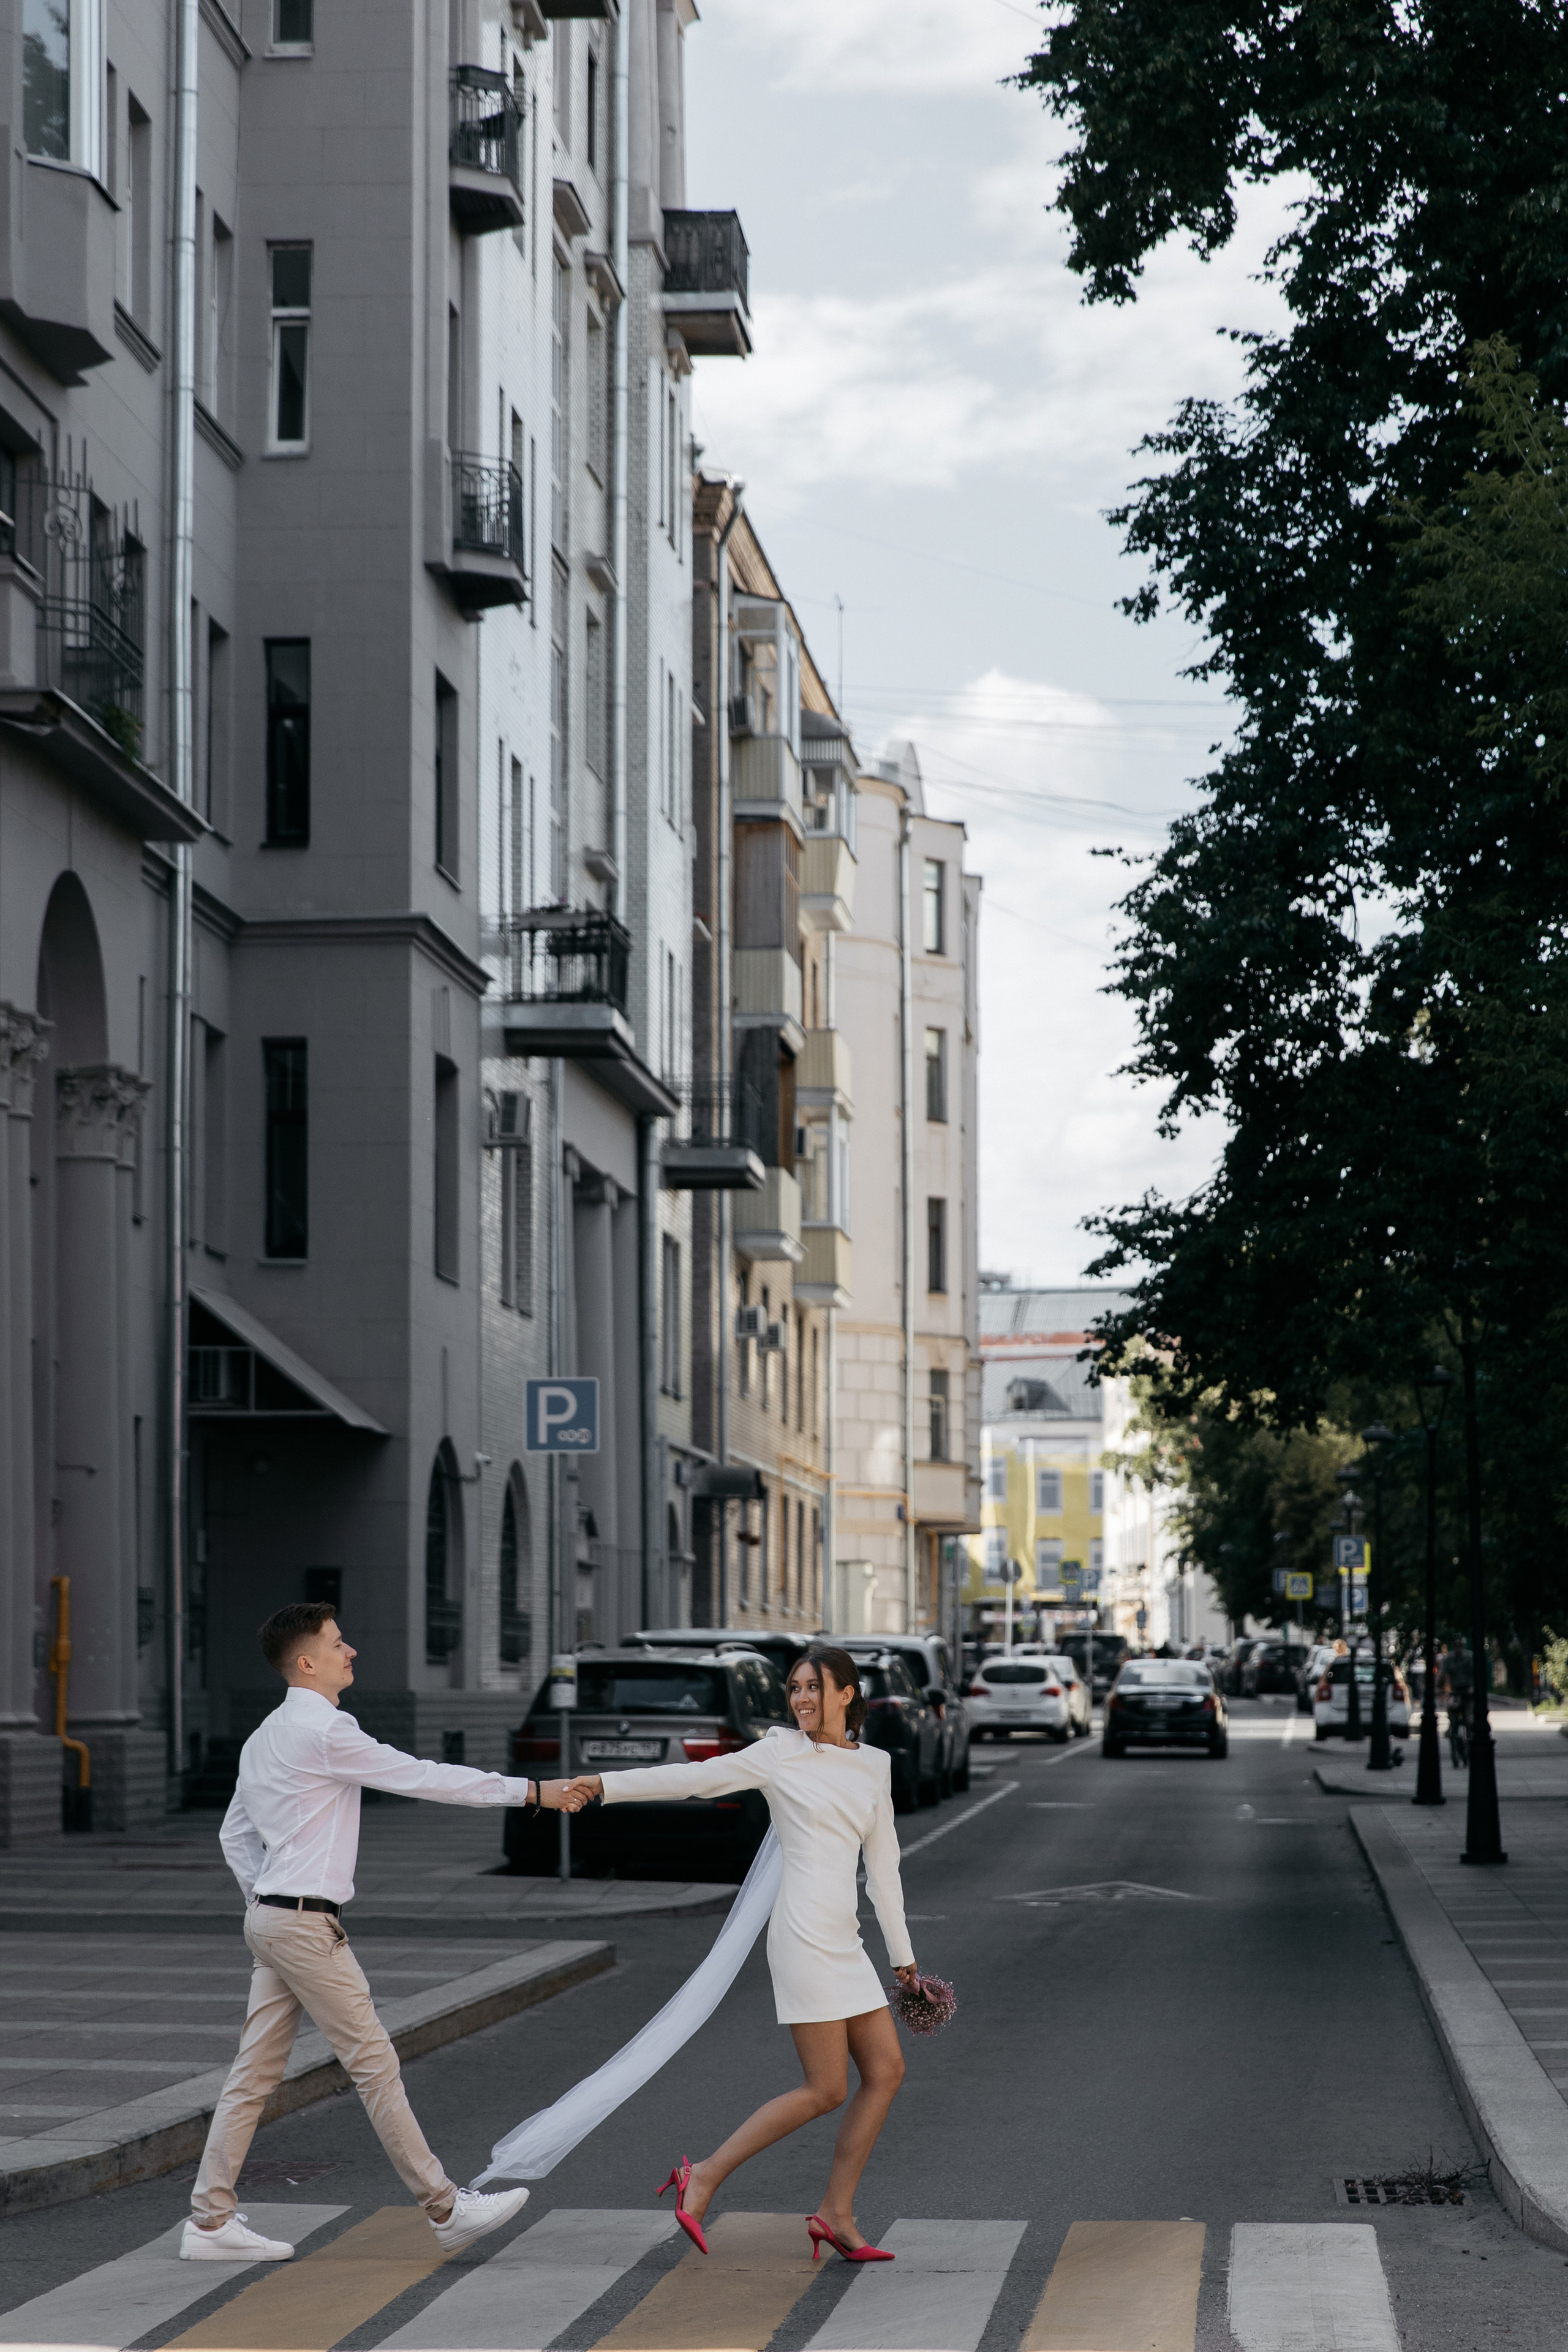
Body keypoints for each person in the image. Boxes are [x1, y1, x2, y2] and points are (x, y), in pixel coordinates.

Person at [181, 1602, 586, 2265]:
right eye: (339, 1643)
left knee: (252, 2077)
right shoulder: (325, 1731)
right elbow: (426, 1777)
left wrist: (266, 1901)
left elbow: (233, 1833)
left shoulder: (265, 1735)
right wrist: (533, 1792)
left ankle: (209, 2220)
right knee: (374, 2065)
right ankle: (446, 2207)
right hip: (303, 1924)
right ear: (306, 1661)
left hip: (274, 1919)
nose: (353, 1652)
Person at [563, 1643, 918, 2265]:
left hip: (845, 1940)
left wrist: (902, 1959)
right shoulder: (780, 1753)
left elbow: (883, 1869)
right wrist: (605, 1784)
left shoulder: (876, 1765)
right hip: (803, 1934)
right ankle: (702, 2175)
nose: (801, 1698)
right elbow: (695, 1779)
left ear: (846, 1694)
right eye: (794, 1688)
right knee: (826, 2087)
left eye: (813, 1687)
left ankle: (836, 2212)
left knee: (886, 2071)